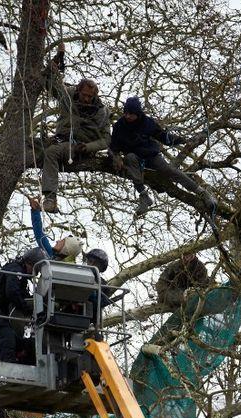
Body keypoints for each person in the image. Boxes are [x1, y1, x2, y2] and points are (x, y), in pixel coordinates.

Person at [110, 96, 217, 216]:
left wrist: (180, 140)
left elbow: (162, 136)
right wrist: (116, 157)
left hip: (150, 155)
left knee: (169, 171)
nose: (127, 116)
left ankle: (201, 192)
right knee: (130, 160)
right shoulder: (119, 126)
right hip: (133, 156)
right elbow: (113, 146)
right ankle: (144, 196)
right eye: (126, 113)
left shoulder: (147, 122)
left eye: (131, 114)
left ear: (137, 113)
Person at [38, 43, 110, 214]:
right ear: (78, 91)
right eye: (84, 95)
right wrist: (57, 60)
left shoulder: (101, 112)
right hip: (61, 139)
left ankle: (50, 198)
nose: (86, 99)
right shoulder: (69, 96)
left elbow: (107, 140)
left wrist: (89, 147)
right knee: (30, 145)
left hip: (78, 146)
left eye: (90, 96)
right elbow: (49, 84)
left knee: (52, 153)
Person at [0, 248, 45, 364]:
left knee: (27, 344)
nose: (36, 274)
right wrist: (26, 308)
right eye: (37, 270)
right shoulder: (15, 270)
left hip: (3, 315)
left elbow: (21, 295)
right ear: (31, 264)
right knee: (7, 336)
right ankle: (8, 366)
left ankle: (23, 365)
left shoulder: (21, 276)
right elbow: (12, 292)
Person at [28, 196, 83, 262]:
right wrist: (35, 211)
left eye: (61, 241)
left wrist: (35, 211)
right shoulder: (58, 259)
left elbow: (39, 233)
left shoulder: (50, 255)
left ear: (65, 249)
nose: (57, 241)